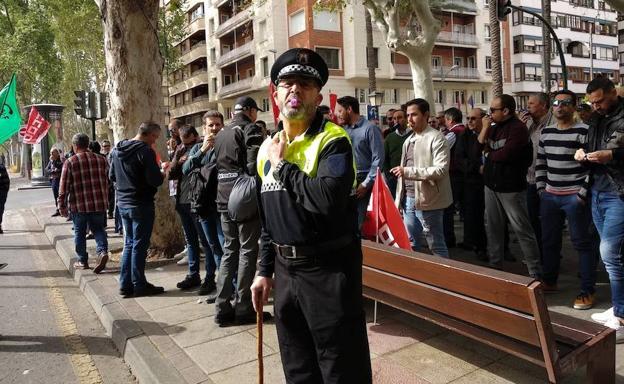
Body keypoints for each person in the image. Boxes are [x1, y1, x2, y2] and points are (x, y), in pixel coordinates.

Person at [251, 47, 372, 384]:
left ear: (318, 95)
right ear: (275, 94)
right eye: (287, 83)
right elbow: (268, 218)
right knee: (298, 365)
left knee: (341, 368)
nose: (295, 90)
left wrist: (284, 167)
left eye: (305, 84)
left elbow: (327, 201)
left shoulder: (334, 140)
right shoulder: (267, 147)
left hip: (329, 272)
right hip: (285, 272)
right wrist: (263, 270)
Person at [536, 90, 597, 310]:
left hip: (574, 196)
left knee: (582, 243)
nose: (559, 106)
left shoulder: (584, 131)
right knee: (549, 241)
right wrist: (542, 188)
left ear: (574, 106)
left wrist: (582, 194)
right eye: (556, 103)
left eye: (565, 103)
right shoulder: (546, 132)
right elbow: (541, 162)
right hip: (550, 196)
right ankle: (550, 281)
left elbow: (592, 166)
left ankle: (587, 290)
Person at [575, 77, 624, 341]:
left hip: (619, 193)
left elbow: (614, 151)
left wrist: (612, 155)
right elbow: (592, 150)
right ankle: (618, 307)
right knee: (613, 255)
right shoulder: (595, 118)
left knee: (610, 254)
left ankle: (622, 316)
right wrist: (582, 155)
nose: (596, 106)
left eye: (600, 101)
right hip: (597, 190)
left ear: (613, 93)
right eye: (592, 102)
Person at [213, 95, 265, 326]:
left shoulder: (221, 133)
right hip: (243, 198)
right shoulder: (250, 129)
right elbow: (255, 167)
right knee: (247, 251)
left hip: (223, 196)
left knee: (229, 251)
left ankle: (222, 307)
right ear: (249, 111)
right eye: (256, 111)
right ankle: (244, 306)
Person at [478, 95, 541, 278]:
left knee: (522, 229)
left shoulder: (518, 129)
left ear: (505, 111)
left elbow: (507, 154)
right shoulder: (493, 128)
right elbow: (477, 150)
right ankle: (495, 266)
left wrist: (489, 155)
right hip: (491, 185)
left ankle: (535, 273)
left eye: (493, 110)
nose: (489, 114)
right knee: (493, 227)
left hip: (511, 188)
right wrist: (484, 130)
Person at [109, 122, 165, 297]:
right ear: (149, 135)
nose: (155, 142)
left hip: (123, 203)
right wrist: (163, 172)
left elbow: (111, 176)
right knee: (139, 246)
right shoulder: (145, 151)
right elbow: (155, 180)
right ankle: (139, 283)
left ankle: (125, 284)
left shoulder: (117, 149)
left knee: (129, 244)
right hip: (141, 203)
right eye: (155, 138)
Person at [392, 98, 452, 257]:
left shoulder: (437, 138)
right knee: (411, 243)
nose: (409, 119)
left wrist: (408, 171)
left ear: (426, 115)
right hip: (408, 200)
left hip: (429, 201)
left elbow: (441, 171)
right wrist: (399, 199)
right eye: (408, 115)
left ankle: (444, 279)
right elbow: (402, 173)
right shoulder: (408, 140)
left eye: (414, 115)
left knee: (436, 244)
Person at [182, 110, 226, 300]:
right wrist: (202, 151)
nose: (215, 128)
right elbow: (185, 169)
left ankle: (228, 287)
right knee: (212, 246)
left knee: (225, 247)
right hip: (203, 205)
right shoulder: (197, 148)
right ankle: (215, 282)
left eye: (217, 124)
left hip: (223, 204)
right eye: (211, 125)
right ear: (204, 128)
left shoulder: (227, 144)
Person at [168, 125, 215, 292]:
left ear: (196, 137)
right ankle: (193, 274)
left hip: (197, 202)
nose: (188, 147)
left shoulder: (203, 148)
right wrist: (178, 158)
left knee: (206, 242)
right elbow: (172, 173)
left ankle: (210, 277)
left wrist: (191, 155)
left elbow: (197, 167)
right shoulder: (180, 150)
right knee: (191, 242)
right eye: (184, 144)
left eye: (191, 143)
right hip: (183, 201)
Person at [57, 133, 109, 273]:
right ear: (87, 144)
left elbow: (64, 187)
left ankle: (82, 260)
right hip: (98, 202)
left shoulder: (70, 162)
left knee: (79, 233)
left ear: (75, 146)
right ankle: (102, 252)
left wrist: (61, 205)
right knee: (98, 229)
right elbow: (108, 180)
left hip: (78, 205)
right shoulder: (101, 159)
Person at [335, 95, 384, 230]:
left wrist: (366, 184)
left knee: (359, 225)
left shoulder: (370, 129)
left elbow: (378, 159)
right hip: (346, 182)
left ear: (349, 109)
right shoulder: (342, 131)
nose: (337, 115)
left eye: (339, 111)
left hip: (363, 184)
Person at [518, 93, 556, 257]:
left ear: (543, 106)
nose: (528, 107)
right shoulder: (528, 123)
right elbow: (518, 145)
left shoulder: (554, 122)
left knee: (550, 221)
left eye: (531, 104)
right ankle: (540, 253)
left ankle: (551, 254)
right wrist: (520, 126)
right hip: (530, 179)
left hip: (550, 181)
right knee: (533, 219)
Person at [455, 108, 487, 259]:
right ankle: (479, 247)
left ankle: (503, 248)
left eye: (473, 118)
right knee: (474, 216)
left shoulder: (492, 132)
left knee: (498, 218)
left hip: (493, 180)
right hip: (472, 181)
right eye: (468, 118)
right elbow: (460, 159)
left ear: (483, 119)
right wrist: (476, 168)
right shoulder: (464, 136)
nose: (470, 121)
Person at [442, 107, 466, 248]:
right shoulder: (466, 131)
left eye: (445, 120)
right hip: (465, 173)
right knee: (465, 209)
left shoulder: (453, 134)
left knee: (448, 208)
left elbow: (442, 150)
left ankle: (448, 238)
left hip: (454, 175)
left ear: (450, 120)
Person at [383, 108, 409, 198]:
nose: (396, 121)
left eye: (399, 117)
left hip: (410, 177)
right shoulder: (389, 137)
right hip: (394, 179)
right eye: (394, 118)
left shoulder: (413, 134)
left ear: (406, 119)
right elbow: (385, 158)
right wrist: (389, 176)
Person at [46, 148, 63, 217]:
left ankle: (63, 210)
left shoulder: (60, 160)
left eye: (53, 153)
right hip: (53, 180)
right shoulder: (51, 161)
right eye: (51, 153)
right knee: (55, 196)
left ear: (57, 153)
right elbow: (47, 169)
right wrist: (52, 171)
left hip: (59, 180)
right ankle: (58, 210)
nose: (51, 154)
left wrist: (55, 163)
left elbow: (61, 168)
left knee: (60, 196)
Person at [0, 161, 9, 234]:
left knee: (0, 208)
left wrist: (5, 190)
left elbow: (6, 180)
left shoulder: (1, 168)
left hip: (1, 192)